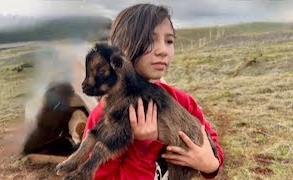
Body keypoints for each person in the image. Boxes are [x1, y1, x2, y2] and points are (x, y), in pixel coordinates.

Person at [82, 3, 224, 179]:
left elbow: (210, 141)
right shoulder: (104, 117)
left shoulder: (180, 101)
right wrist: (142, 146)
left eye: (169, 41)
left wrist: (210, 164)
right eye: (149, 40)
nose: (163, 50)